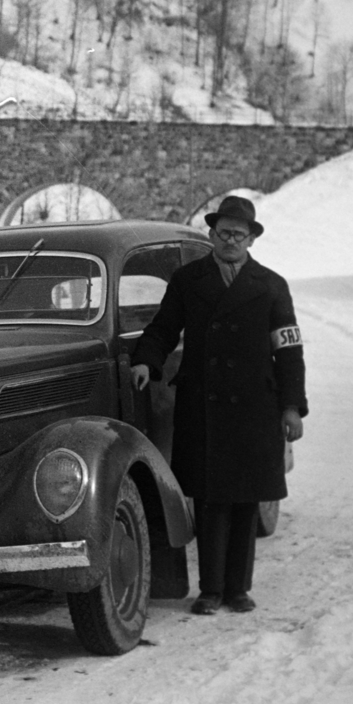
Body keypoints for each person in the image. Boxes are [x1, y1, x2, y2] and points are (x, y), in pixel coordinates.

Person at [129, 195, 306, 616]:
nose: (231, 241)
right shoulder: (188, 280)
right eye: (224, 233)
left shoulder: (272, 286)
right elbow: (163, 329)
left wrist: (292, 408)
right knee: (209, 500)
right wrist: (145, 361)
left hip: (255, 409)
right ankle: (210, 590)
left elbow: (290, 352)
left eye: (239, 235)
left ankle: (238, 589)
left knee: (246, 500)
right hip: (204, 407)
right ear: (211, 234)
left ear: (251, 240)